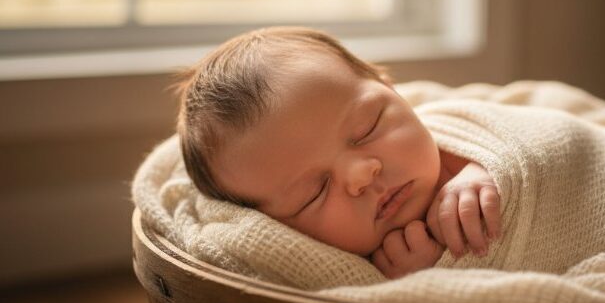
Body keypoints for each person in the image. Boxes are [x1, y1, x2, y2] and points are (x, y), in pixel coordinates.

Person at [176, 26, 501, 280]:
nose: (362, 175)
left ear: (391, 89)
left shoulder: (465, 140)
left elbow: (540, 138)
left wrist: (492, 166)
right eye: (315, 192)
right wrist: (423, 284)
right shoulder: (345, 274)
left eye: (366, 129)